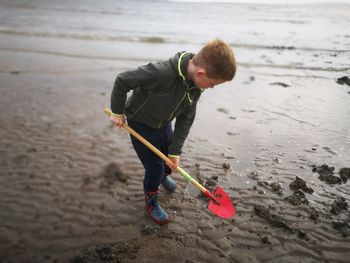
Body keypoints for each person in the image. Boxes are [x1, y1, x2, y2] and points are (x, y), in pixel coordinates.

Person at [110, 39, 236, 224]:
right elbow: (122, 80)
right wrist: (117, 112)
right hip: (141, 124)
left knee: (169, 161)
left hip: (164, 123)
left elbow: (186, 119)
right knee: (155, 167)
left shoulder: (195, 86)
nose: (211, 88)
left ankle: (162, 177)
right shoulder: (161, 72)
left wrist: (176, 151)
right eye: (212, 84)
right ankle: (151, 203)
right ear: (201, 73)